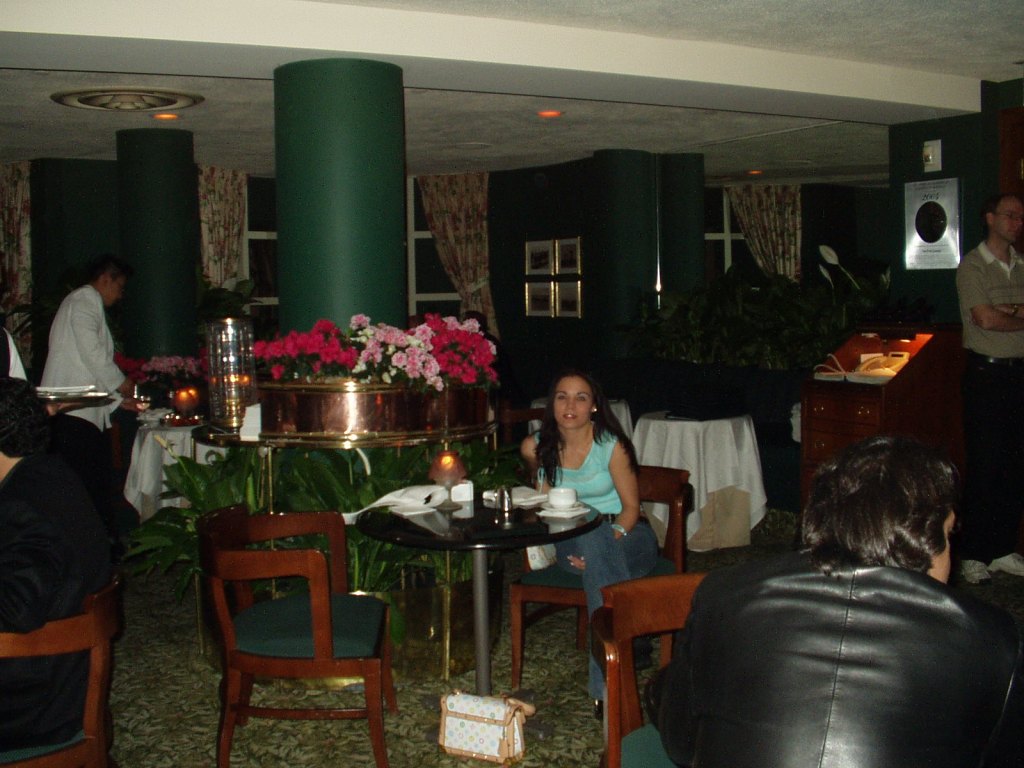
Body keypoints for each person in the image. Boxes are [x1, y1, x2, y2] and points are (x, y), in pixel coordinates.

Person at [654, 435, 1023, 768]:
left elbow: (680, 743)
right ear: (925, 540)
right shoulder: (996, 640)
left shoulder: (721, 593)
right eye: (948, 534)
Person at [520, 369, 658, 712]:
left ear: (594, 406)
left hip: (627, 534)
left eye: (580, 398)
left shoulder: (611, 445)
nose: (570, 406)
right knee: (595, 550)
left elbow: (631, 509)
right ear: (551, 404)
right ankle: (625, 648)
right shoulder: (534, 446)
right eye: (562, 397)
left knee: (599, 550)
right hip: (570, 538)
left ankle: (605, 689)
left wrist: (608, 540)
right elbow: (545, 507)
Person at [0, 377, 112, 753]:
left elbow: (16, 608)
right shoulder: (48, 475)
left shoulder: (23, 506)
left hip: (33, 706)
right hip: (61, 681)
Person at [40, 255, 142, 547]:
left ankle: (100, 547)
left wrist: (116, 402)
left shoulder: (81, 302)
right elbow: (92, 351)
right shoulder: (85, 299)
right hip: (72, 413)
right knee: (86, 486)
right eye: (120, 287)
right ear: (106, 279)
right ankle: (97, 549)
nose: (120, 295)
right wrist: (121, 383)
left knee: (92, 484)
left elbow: (85, 365)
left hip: (79, 412)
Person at [955, 192, 1024, 584]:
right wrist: (1011, 314)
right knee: (985, 463)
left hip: (1019, 374)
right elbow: (985, 319)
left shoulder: (1021, 265)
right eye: (1010, 215)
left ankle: (1001, 548)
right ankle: (974, 553)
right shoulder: (973, 266)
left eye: (1021, 217)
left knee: (1015, 464)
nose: (1017, 223)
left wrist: (1009, 313)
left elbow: (1000, 317)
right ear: (990, 218)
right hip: (987, 375)